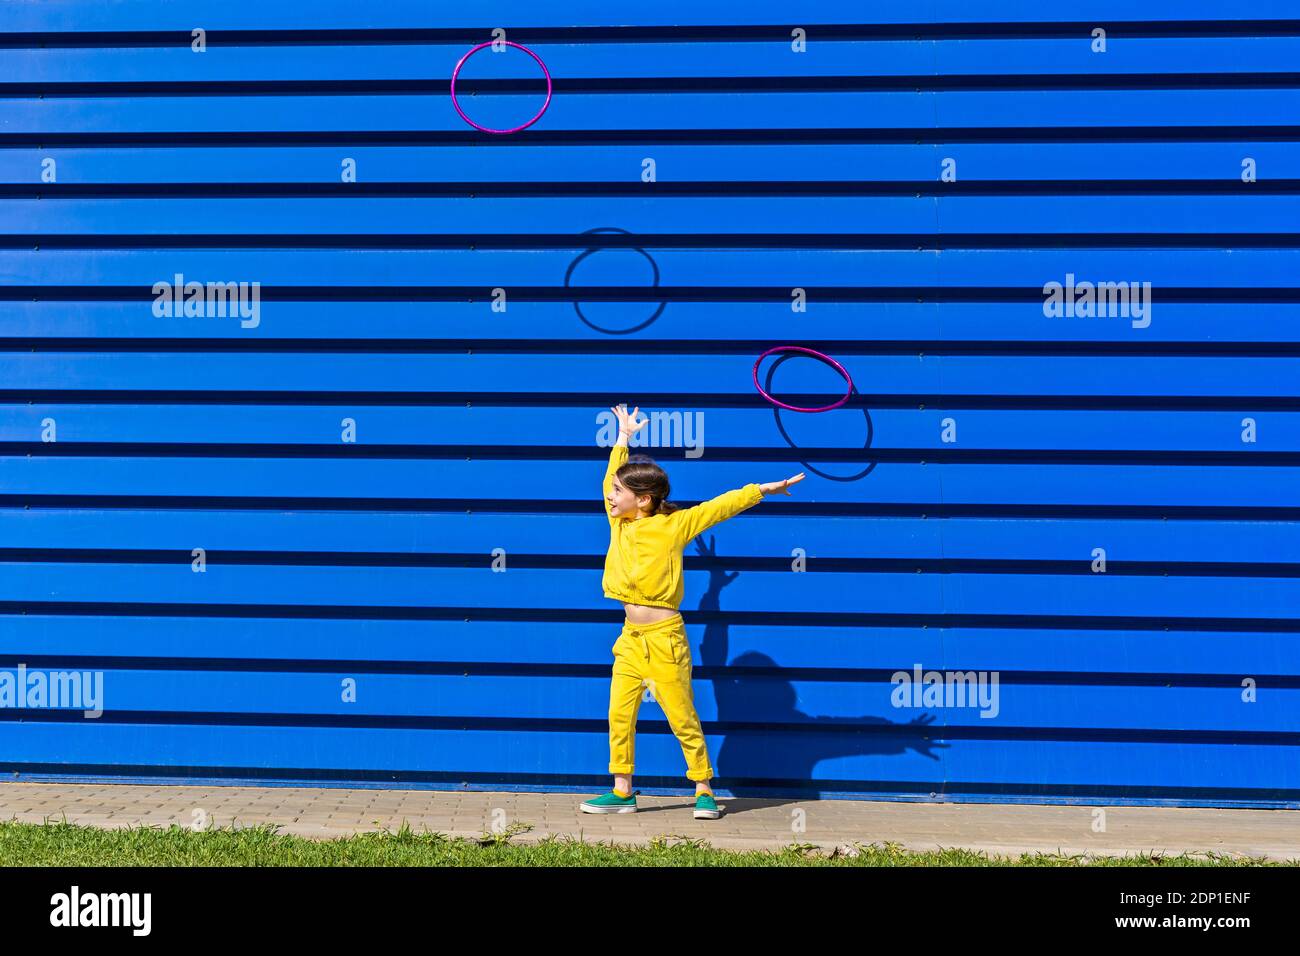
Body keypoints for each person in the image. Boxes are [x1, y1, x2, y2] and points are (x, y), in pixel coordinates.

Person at [580, 404, 805, 818]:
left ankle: (703, 788)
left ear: (643, 499)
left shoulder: (674, 525)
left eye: (618, 492)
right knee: (619, 712)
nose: (610, 496)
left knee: (682, 714)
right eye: (612, 491)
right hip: (630, 639)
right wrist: (623, 437)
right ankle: (622, 789)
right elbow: (610, 473)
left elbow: (719, 506)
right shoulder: (620, 523)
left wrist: (763, 490)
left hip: (665, 639)